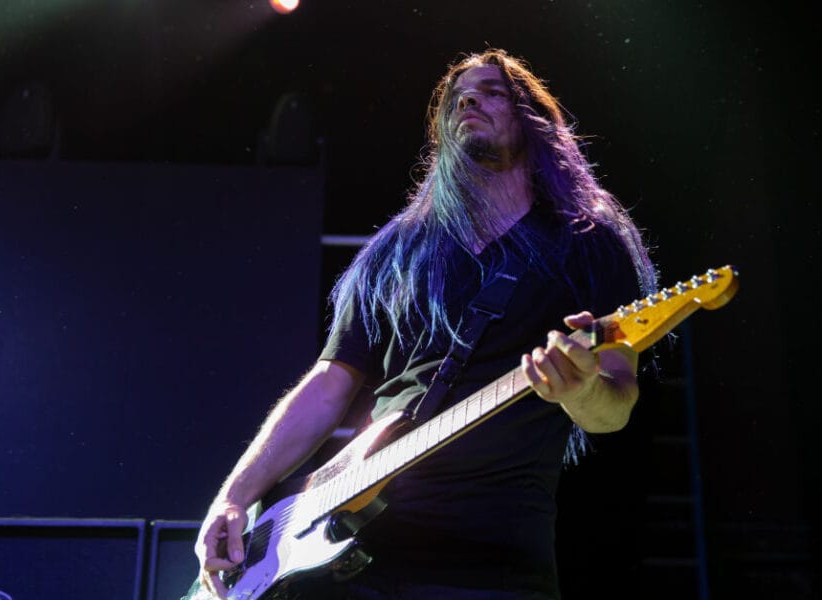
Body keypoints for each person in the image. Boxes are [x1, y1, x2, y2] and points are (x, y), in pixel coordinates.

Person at [194, 48, 657, 599]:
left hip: (492, 559)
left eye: (492, 92)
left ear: (534, 119)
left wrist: (580, 391)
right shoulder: (398, 250)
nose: (469, 100)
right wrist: (234, 497)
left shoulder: (588, 244)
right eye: (459, 97)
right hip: (351, 552)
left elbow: (614, 408)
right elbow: (328, 384)